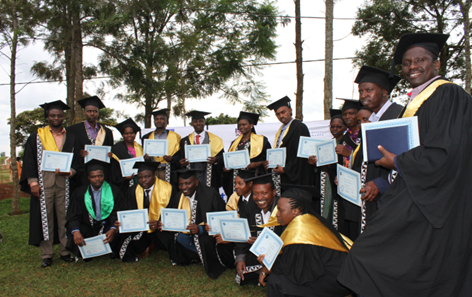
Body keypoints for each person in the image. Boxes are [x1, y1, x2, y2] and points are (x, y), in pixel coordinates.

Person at [338, 33, 472, 296]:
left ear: (437, 63)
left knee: (385, 257)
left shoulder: (448, 95)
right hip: (415, 190)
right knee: (377, 256)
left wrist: (397, 161)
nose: (412, 67)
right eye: (407, 62)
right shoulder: (418, 100)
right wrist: (387, 176)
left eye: (420, 60)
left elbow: (445, 152)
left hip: (435, 201)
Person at [258, 185, 352, 297]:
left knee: (277, 281)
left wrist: (270, 265)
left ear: (295, 211)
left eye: (280, 210)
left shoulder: (301, 229)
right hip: (340, 275)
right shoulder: (309, 218)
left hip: (339, 280)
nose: (277, 214)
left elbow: (299, 273)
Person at [19, 100, 81, 268]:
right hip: (44, 183)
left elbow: (77, 161)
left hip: (64, 184)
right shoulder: (37, 137)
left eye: (59, 115)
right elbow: (30, 161)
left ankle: (65, 250)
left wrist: (70, 172)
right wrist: (32, 183)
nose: (56, 118)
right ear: (47, 116)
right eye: (53, 115)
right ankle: (47, 254)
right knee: (45, 218)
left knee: (64, 218)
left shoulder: (71, 138)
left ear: (63, 117)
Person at [346, 66, 403, 240]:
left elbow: (405, 157)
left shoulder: (398, 114)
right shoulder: (373, 120)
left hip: (390, 198)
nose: (363, 95)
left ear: (384, 91)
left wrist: (383, 183)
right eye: (361, 91)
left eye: (369, 90)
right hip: (371, 197)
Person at [159, 168, 227, 279]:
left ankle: (207, 257)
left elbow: (220, 218)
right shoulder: (179, 196)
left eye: (188, 183)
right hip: (186, 231)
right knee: (176, 236)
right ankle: (195, 256)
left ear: (196, 182)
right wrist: (164, 223)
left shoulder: (210, 194)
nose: (184, 187)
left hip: (206, 232)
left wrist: (200, 228)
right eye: (181, 184)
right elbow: (171, 213)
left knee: (204, 240)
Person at [116, 161, 175, 262]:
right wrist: (122, 222)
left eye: (147, 177)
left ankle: (154, 244)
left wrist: (159, 223)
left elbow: (173, 212)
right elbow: (128, 211)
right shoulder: (132, 191)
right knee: (125, 244)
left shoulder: (168, 189)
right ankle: (151, 244)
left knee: (172, 243)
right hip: (142, 228)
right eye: (140, 177)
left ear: (154, 175)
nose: (143, 180)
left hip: (161, 227)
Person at [65, 160, 124, 261]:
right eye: (93, 176)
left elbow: (119, 211)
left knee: (118, 230)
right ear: (88, 177)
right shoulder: (80, 193)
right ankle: (88, 251)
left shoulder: (114, 190)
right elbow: (73, 215)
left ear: (104, 175)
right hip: (88, 225)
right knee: (76, 230)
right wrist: (76, 232)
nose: (97, 179)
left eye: (100, 176)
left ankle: (112, 249)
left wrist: (113, 228)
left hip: (107, 225)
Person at [234, 174, 283, 286]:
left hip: (280, 254)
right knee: (242, 276)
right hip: (257, 255)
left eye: (264, 193)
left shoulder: (282, 209)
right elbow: (243, 233)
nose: (259, 198)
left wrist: (263, 243)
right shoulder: (249, 208)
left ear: (274, 192)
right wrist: (240, 258)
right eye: (255, 194)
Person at [265, 96, 315, 187]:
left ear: (290, 110)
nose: (281, 116)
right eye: (278, 114)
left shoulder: (299, 127)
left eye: (283, 112)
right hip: (282, 176)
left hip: (294, 178)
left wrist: (285, 170)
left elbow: (301, 156)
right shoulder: (280, 131)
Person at [66, 96, 114, 188]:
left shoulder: (106, 132)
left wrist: (111, 155)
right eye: (89, 111)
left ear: (98, 113)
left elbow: (111, 150)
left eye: (95, 111)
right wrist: (79, 153)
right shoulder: (73, 130)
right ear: (84, 112)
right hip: (81, 173)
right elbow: (68, 151)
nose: (92, 113)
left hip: (101, 172)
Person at [309, 109, 346, 227]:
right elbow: (322, 166)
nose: (335, 129)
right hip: (326, 185)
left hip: (340, 187)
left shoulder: (347, 144)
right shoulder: (327, 144)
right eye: (332, 126)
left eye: (339, 126)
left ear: (345, 127)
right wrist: (314, 164)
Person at [223, 111, 271, 196]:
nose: (241, 127)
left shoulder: (262, 140)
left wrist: (258, 163)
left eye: (244, 124)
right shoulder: (235, 142)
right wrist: (228, 167)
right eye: (239, 125)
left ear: (251, 125)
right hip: (237, 178)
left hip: (254, 177)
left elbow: (269, 160)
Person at [175, 111, 225, 190]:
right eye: (195, 121)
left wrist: (216, 159)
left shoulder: (215, 139)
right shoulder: (184, 141)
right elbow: (179, 157)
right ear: (192, 124)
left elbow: (222, 156)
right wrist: (181, 162)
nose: (198, 123)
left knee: (209, 198)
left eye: (201, 121)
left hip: (209, 175)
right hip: (192, 174)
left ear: (204, 123)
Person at [142, 109, 181, 184]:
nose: (159, 121)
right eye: (156, 119)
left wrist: (173, 159)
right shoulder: (146, 137)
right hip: (153, 171)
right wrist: (147, 159)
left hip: (168, 170)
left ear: (167, 121)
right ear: (154, 121)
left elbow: (179, 155)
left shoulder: (176, 137)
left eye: (162, 119)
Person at [110, 118, 143, 196]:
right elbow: (113, 169)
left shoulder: (140, 147)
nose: (129, 135)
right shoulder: (116, 148)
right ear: (122, 134)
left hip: (138, 180)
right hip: (123, 183)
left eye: (131, 133)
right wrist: (124, 178)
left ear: (135, 134)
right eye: (126, 133)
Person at [334, 98, 362, 168]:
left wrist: (350, 153)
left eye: (351, 113)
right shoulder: (345, 138)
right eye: (344, 114)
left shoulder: (364, 135)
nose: (347, 117)